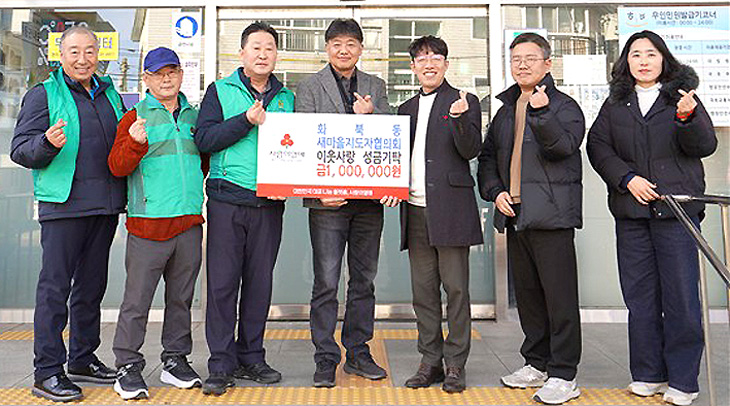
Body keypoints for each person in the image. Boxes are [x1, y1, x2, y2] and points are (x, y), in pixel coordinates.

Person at [587, 30, 717, 406]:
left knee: (681, 298)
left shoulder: (681, 98)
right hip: (632, 214)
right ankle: (648, 373)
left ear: (664, 59)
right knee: (640, 298)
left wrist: (688, 118)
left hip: (675, 213)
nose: (643, 61)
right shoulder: (616, 103)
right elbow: (598, 146)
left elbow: (704, 145)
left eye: (651, 54)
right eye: (635, 54)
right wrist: (627, 179)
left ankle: (683, 380)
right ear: (625, 61)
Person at [10, 26, 125, 402]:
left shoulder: (109, 93)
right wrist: (46, 143)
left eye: (89, 51)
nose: (82, 59)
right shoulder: (44, 94)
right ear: (61, 55)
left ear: (98, 54)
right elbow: (20, 149)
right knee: (55, 290)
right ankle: (46, 371)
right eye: (74, 51)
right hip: (64, 206)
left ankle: (82, 358)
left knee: (91, 288)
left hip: (105, 206)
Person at [477, 32, 585, 405]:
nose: (522, 65)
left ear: (548, 63)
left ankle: (564, 374)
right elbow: (488, 158)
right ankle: (536, 363)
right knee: (528, 296)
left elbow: (564, 147)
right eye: (516, 59)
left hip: (552, 216)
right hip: (516, 213)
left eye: (530, 58)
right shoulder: (506, 109)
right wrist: (496, 192)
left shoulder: (564, 106)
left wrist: (542, 112)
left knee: (560, 298)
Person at [194, 22, 294, 396]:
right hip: (227, 200)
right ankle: (220, 364)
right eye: (256, 47)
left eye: (269, 48)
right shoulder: (220, 91)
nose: (263, 54)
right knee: (222, 286)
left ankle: (252, 356)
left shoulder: (287, 98)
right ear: (242, 53)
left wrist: (290, 184)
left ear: (276, 55)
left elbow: (297, 149)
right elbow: (205, 139)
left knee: (259, 284)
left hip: (269, 204)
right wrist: (245, 121)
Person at [295, 18, 390, 388]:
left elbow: (391, 135)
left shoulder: (375, 86)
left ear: (361, 49)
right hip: (327, 202)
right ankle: (324, 357)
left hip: (368, 203)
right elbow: (303, 141)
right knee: (326, 281)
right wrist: (317, 191)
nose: (344, 50)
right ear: (327, 48)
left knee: (364, 280)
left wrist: (372, 115)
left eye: (351, 43)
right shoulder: (309, 87)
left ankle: (358, 352)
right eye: (337, 43)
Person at [108, 47, 206, 400]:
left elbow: (202, 163)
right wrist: (135, 143)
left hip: (189, 223)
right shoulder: (134, 117)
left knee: (181, 299)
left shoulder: (195, 116)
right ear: (146, 79)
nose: (166, 79)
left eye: (172, 72)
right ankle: (128, 365)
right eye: (158, 73)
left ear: (181, 75)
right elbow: (117, 166)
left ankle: (175, 360)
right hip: (148, 225)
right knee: (137, 302)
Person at [387, 35, 483, 394]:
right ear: (413, 67)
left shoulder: (464, 100)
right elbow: (395, 156)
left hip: (451, 208)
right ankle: (430, 360)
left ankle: (455, 363)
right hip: (414, 209)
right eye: (422, 59)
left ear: (446, 64)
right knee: (423, 292)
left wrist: (459, 119)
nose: (429, 64)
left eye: (436, 58)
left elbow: (471, 149)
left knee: (456, 289)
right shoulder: (405, 108)